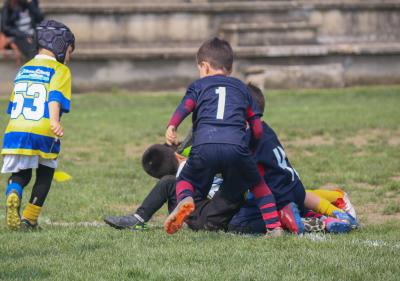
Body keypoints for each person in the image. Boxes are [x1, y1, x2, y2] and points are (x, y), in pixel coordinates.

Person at [163, 37, 283, 236]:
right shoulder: (243, 89)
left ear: (205, 67)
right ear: (230, 67)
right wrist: (249, 148)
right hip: (236, 146)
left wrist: (172, 125)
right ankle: (274, 227)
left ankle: (185, 199)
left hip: (204, 145)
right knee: (258, 183)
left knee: (186, 179)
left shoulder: (199, 87)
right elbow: (257, 128)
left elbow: (186, 106)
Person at [1, 19, 75, 230]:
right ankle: (30, 220)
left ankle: (14, 190)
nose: (69, 57)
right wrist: (53, 120)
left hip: (15, 130)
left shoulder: (24, 68)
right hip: (43, 130)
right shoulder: (60, 70)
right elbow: (54, 96)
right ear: (60, 45)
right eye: (70, 51)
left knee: (21, 174)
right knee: (45, 173)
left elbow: (13, 104)